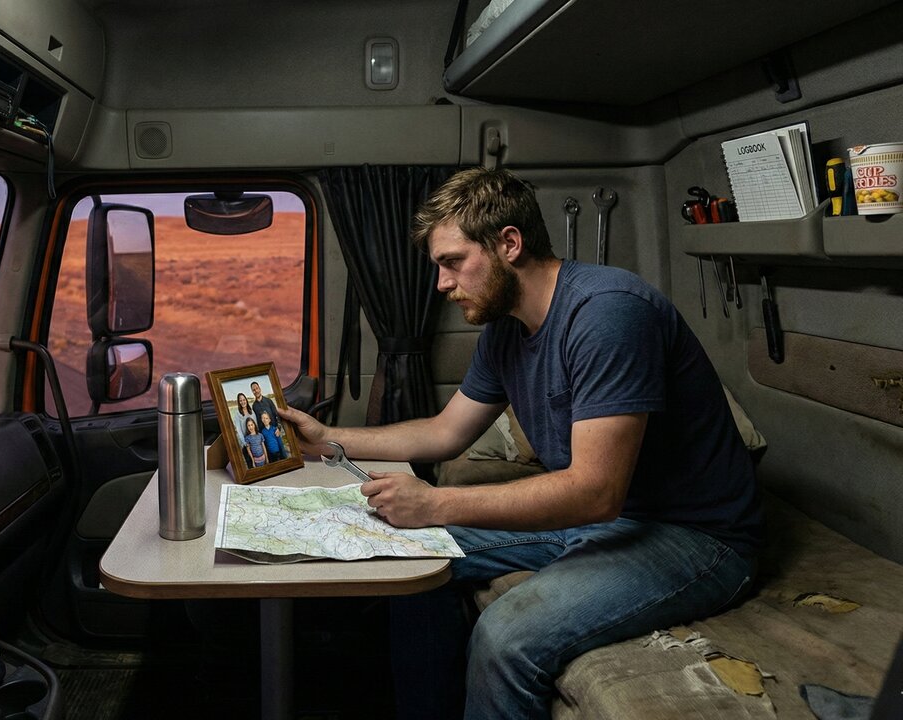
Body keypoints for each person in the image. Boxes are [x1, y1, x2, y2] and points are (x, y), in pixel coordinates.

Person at [277, 167, 762, 720]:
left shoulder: (607, 313)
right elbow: (446, 431)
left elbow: (596, 492)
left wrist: (434, 503)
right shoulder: (505, 327)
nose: (441, 284)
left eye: (452, 262)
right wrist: (328, 438)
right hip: (604, 517)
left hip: (695, 536)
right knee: (410, 563)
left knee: (505, 636)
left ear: (509, 243)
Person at [232, 392, 255, 467]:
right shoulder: (237, 414)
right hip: (246, 443)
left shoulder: (251, 411)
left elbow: (256, 424)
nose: (243, 402)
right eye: (240, 400)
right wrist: (245, 443)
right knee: (250, 464)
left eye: (244, 400)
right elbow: (239, 431)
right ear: (239, 402)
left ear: (246, 400)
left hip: (254, 441)